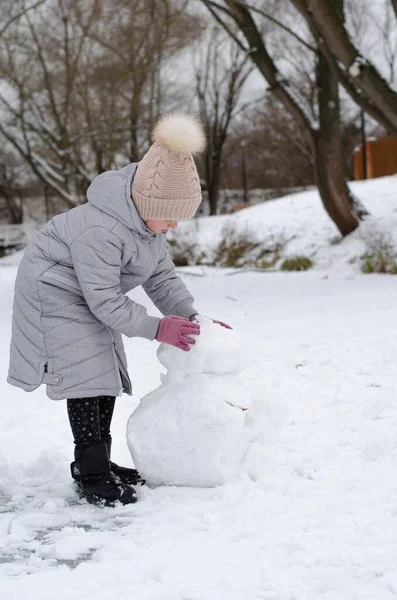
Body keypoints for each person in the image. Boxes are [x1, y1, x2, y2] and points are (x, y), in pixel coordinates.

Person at [8, 113, 230, 506]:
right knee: (85, 374)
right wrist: (159, 329)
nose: (174, 225)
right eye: (171, 215)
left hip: (88, 292)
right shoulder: (103, 231)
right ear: (147, 202)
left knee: (106, 372)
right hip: (52, 292)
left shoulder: (148, 228)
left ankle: (100, 463)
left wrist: (196, 319)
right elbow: (105, 301)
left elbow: (161, 278)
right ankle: (91, 472)